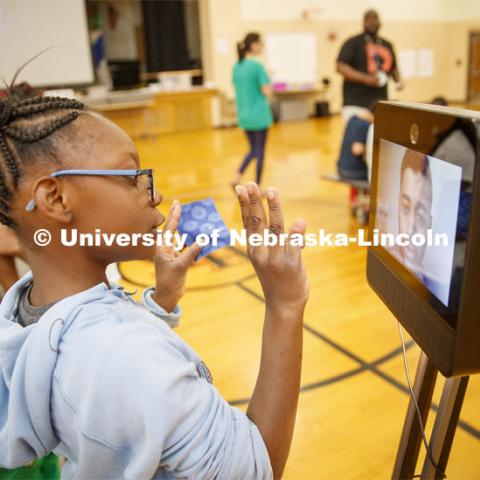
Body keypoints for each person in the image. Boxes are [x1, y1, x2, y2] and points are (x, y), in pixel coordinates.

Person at [0, 94, 308, 479]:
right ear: (57, 198)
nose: (155, 193)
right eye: (132, 177)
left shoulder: (23, 305)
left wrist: (162, 300)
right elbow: (254, 470)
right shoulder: (125, 356)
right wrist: (285, 304)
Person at [337, 9, 403, 123]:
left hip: (380, 104)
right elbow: (340, 67)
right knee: (356, 138)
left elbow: (393, 68)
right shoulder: (353, 42)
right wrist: (367, 79)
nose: (372, 22)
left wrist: (398, 80)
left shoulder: (387, 44)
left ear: (380, 22)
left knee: (376, 139)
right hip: (356, 103)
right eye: (368, 19)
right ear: (363, 22)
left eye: (375, 18)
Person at [231, 32, 273, 188]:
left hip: (244, 115)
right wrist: (270, 78)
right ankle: (257, 185)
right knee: (259, 151)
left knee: (253, 149)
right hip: (259, 115)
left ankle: (237, 175)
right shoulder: (257, 66)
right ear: (254, 44)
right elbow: (268, 92)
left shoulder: (237, 66)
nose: (261, 47)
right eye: (260, 44)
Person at [337, 102, 375, 180]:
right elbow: (357, 150)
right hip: (354, 172)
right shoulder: (365, 125)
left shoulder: (353, 119)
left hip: (341, 168)